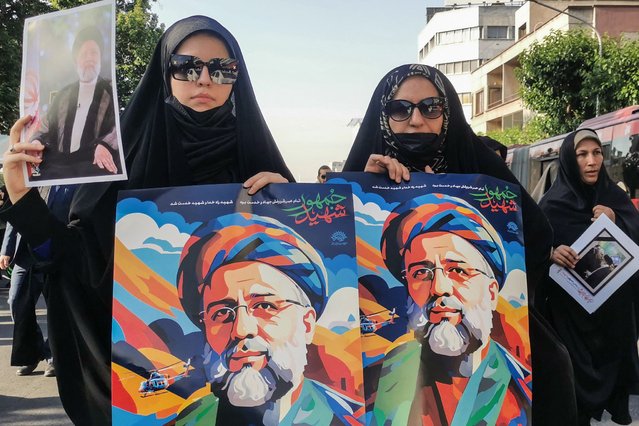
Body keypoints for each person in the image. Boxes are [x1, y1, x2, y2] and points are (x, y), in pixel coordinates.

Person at [2, 16, 293, 425]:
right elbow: (72, 262)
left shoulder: (258, 164)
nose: (205, 79)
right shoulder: (127, 160)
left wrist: (289, 205)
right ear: (164, 72)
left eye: (222, 68)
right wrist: (21, 196)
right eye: (187, 66)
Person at [343, 63, 577, 424]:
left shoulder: (480, 172)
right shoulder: (379, 372)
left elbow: (535, 232)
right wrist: (363, 191)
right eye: (400, 109)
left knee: (554, 366)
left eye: (431, 107)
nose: (416, 120)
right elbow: (336, 256)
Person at [174, 213, 361, 425]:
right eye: (222, 313)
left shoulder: (344, 419)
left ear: (307, 324)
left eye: (264, 306)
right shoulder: (189, 420)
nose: (242, 329)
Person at [375, 193, 531, 424]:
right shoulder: (384, 375)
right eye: (420, 273)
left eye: (458, 271)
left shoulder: (523, 388)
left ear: (490, 292)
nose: (439, 288)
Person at [539, 129, 639, 425]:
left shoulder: (615, 198)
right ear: (570, 159)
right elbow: (533, 248)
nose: (592, 161)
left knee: (611, 378)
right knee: (573, 396)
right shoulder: (551, 205)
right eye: (582, 154)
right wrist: (551, 253)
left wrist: (616, 221)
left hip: (613, 321)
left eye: (597, 153)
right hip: (571, 320)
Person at [30, 26, 120, 180]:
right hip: (58, 167)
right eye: (84, 54)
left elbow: (120, 125)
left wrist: (105, 144)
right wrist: (36, 142)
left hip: (94, 165)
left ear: (100, 58)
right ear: (76, 60)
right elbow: (44, 127)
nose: (89, 58)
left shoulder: (110, 92)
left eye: (94, 53)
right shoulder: (63, 95)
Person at [0, 220, 52, 377]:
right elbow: (15, 213)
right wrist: (6, 249)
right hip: (25, 256)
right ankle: (32, 352)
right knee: (16, 302)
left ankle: (53, 356)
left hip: (55, 254)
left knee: (57, 308)